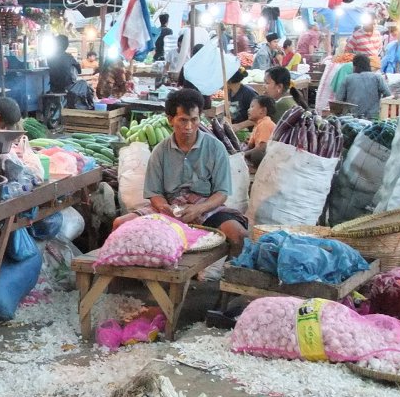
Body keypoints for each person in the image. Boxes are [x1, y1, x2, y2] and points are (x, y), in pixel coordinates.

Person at [111, 88, 248, 256]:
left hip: (204, 205)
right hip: (170, 205)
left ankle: (226, 279)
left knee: (239, 235)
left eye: (194, 120)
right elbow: (154, 192)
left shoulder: (215, 148)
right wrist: (164, 207)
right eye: (183, 120)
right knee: (120, 223)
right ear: (170, 120)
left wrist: (199, 209)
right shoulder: (160, 151)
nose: (189, 127)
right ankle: (133, 277)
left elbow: (222, 193)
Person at [336, 53, 391, 119]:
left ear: (354, 66)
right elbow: (388, 95)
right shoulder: (377, 77)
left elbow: (339, 99)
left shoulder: (348, 79)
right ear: (368, 65)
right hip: (373, 117)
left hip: (352, 118)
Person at [243, 95, 277, 168]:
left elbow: (262, 148)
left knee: (256, 153)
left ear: (263, 111)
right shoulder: (258, 124)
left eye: (252, 107)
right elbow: (250, 145)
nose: (248, 110)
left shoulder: (265, 124)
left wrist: (243, 154)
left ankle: (257, 169)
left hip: (269, 160)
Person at [177, 44, 212, 110]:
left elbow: (180, 83)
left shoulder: (186, 66)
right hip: (204, 101)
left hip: (189, 101)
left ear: (192, 54)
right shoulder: (208, 67)